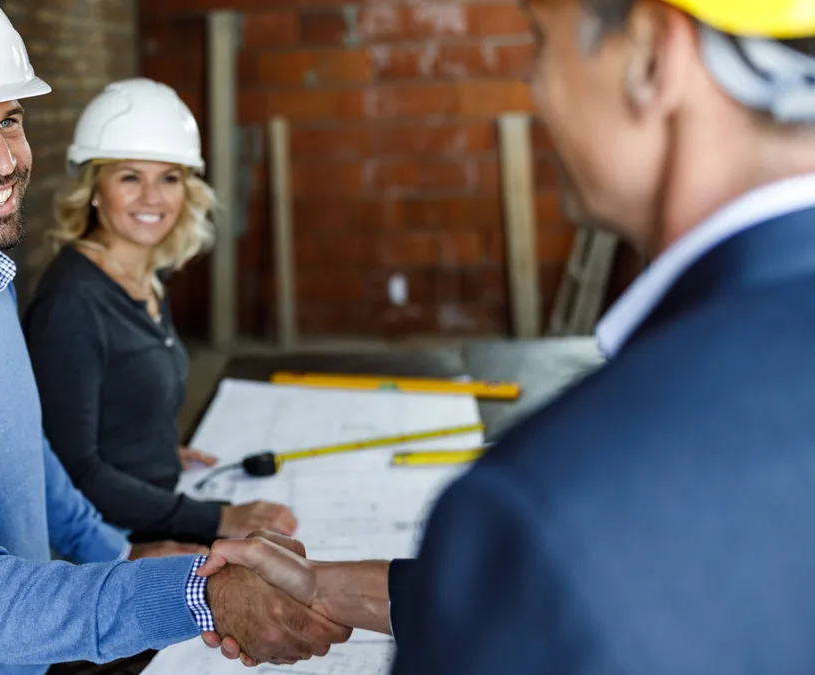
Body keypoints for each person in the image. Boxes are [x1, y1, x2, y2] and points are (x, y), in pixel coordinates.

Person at [197, 0, 815, 672]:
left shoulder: (547, 505)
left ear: (652, 57)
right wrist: (333, 587)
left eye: (540, 42)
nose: (532, 84)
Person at [0, 1, 350, 673]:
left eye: (9, 121)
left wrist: (119, 554)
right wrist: (201, 594)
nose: (5, 159)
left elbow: (31, 455)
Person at [23, 78, 297, 548]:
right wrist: (215, 520)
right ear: (95, 189)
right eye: (130, 177)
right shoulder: (73, 303)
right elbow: (73, 473)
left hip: (155, 494)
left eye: (168, 177)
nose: (152, 197)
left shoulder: (149, 276)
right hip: (113, 542)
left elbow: (113, 403)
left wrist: (153, 449)